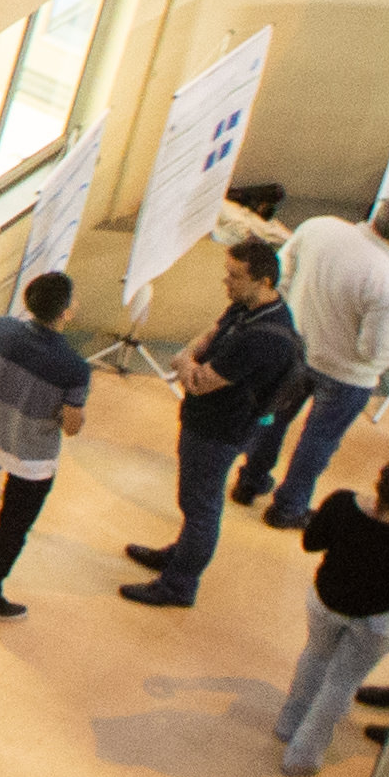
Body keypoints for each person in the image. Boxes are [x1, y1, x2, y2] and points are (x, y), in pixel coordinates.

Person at [124, 233, 304, 607]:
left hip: (220, 431)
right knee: (192, 501)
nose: (226, 281)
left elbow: (199, 382)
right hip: (205, 422)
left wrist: (185, 362)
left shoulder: (264, 338)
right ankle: (180, 553)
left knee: (202, 506)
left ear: (264, 281)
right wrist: (191, 355)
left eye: (235, 275)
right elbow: (211, 334)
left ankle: (178, 585)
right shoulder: (247, 307)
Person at [247, 197, 389, 524]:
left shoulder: (318, 227)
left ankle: (249, 482)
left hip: (297, 352)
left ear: (377, 210)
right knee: (317, 441)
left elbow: (281, 278)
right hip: (347, 376)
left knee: (272, 419)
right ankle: (287, 509)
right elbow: (377, 350)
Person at [282, 461, 389, 777]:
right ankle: (302, 756)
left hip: (327, 601)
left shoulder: (340, 502)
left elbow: (311, 542)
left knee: (315, 656)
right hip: (377, 619)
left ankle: (287, 725)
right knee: (342, 681)